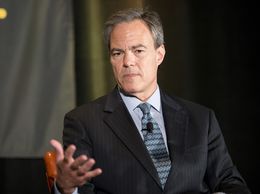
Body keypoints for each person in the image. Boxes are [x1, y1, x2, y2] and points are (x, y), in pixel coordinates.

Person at [50, 8, 251, 194]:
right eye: (117, 53)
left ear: (159, 54)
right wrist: (66, 188)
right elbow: (80, 188)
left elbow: (232, 184)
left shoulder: (201, 119)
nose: (127, 62)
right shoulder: (84, 121)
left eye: (138, 51)